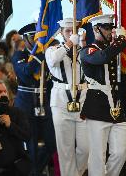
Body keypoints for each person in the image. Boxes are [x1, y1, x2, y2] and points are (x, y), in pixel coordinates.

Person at [80, 14, 126, 176]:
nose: (111, 32)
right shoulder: (87, 50)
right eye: (107, 28)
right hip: (97, 107)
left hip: (117, 109)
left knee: (121, 153)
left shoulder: (115, 52)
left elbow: (123, 85)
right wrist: (120, 41)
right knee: (97, 156)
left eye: (112, 28)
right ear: (96, 29)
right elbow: (101, 58)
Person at [11, 23, 56, 176]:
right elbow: (25, 72)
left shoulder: (47, 55)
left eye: (40, 38)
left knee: (51, 142)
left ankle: (35, 170)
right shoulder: (20, 55)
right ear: (26, 39)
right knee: (32, 144)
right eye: (34, 37)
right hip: (26, 104)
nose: (38, 41)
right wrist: (40, 55)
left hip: (45, 102)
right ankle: (33, 172)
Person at [45, 18, 89, 176]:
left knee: (86, 147)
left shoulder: (84, 49)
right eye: (67, 31)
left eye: (73, 31)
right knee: (65, 148)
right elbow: (53, 60)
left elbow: (92, 67)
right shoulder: (53, 49)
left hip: (83, 101)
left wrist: (82, 44)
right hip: (61, 102)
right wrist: (70, 43)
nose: (71, 34)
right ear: (61, 33)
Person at [0, 79, 31, 176]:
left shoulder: (17, 112)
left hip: (15, 168)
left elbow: (27, 136)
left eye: (5, 91)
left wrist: (11, 125)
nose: (3, 94)